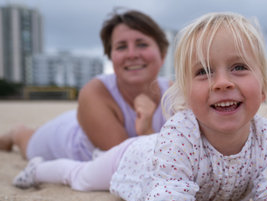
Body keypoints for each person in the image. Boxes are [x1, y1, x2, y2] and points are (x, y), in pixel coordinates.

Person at [13, 12, 267, 201]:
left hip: (153, 149)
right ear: (185, 94)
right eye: (203, 72)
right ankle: (38, 168)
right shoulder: (180, 133)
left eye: (239, 67)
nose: (222, 83)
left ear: (265, 85)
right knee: (80, 176)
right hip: (131, 158)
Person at [0, 9, 170, 161]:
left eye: (142, 44)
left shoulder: (173, 93)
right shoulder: (95, 91)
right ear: (111, 57)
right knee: (28, 142)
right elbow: (128, 163)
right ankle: (16, 132)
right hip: (65, 141)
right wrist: (146, 127)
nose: (132, 54)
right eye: (121, 46)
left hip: (89, 118)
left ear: (162, 54)